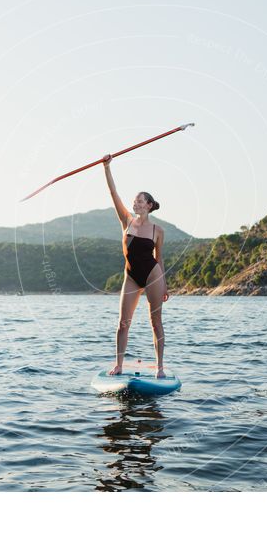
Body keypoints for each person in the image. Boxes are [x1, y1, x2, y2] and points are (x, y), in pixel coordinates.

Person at [103, 153, 169, 378]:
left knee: (156, 322)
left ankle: (160, 367)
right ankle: (119, 365)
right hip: (131, 276)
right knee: (123, 323)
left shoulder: (157, 231)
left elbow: (159, 259)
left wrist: (165, 285)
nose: (136, 203)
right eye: (135, 201)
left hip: (153, 275)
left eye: (141, 201)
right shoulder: (126, 221)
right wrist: (107, 167)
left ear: (149, 206)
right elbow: (113, 193)